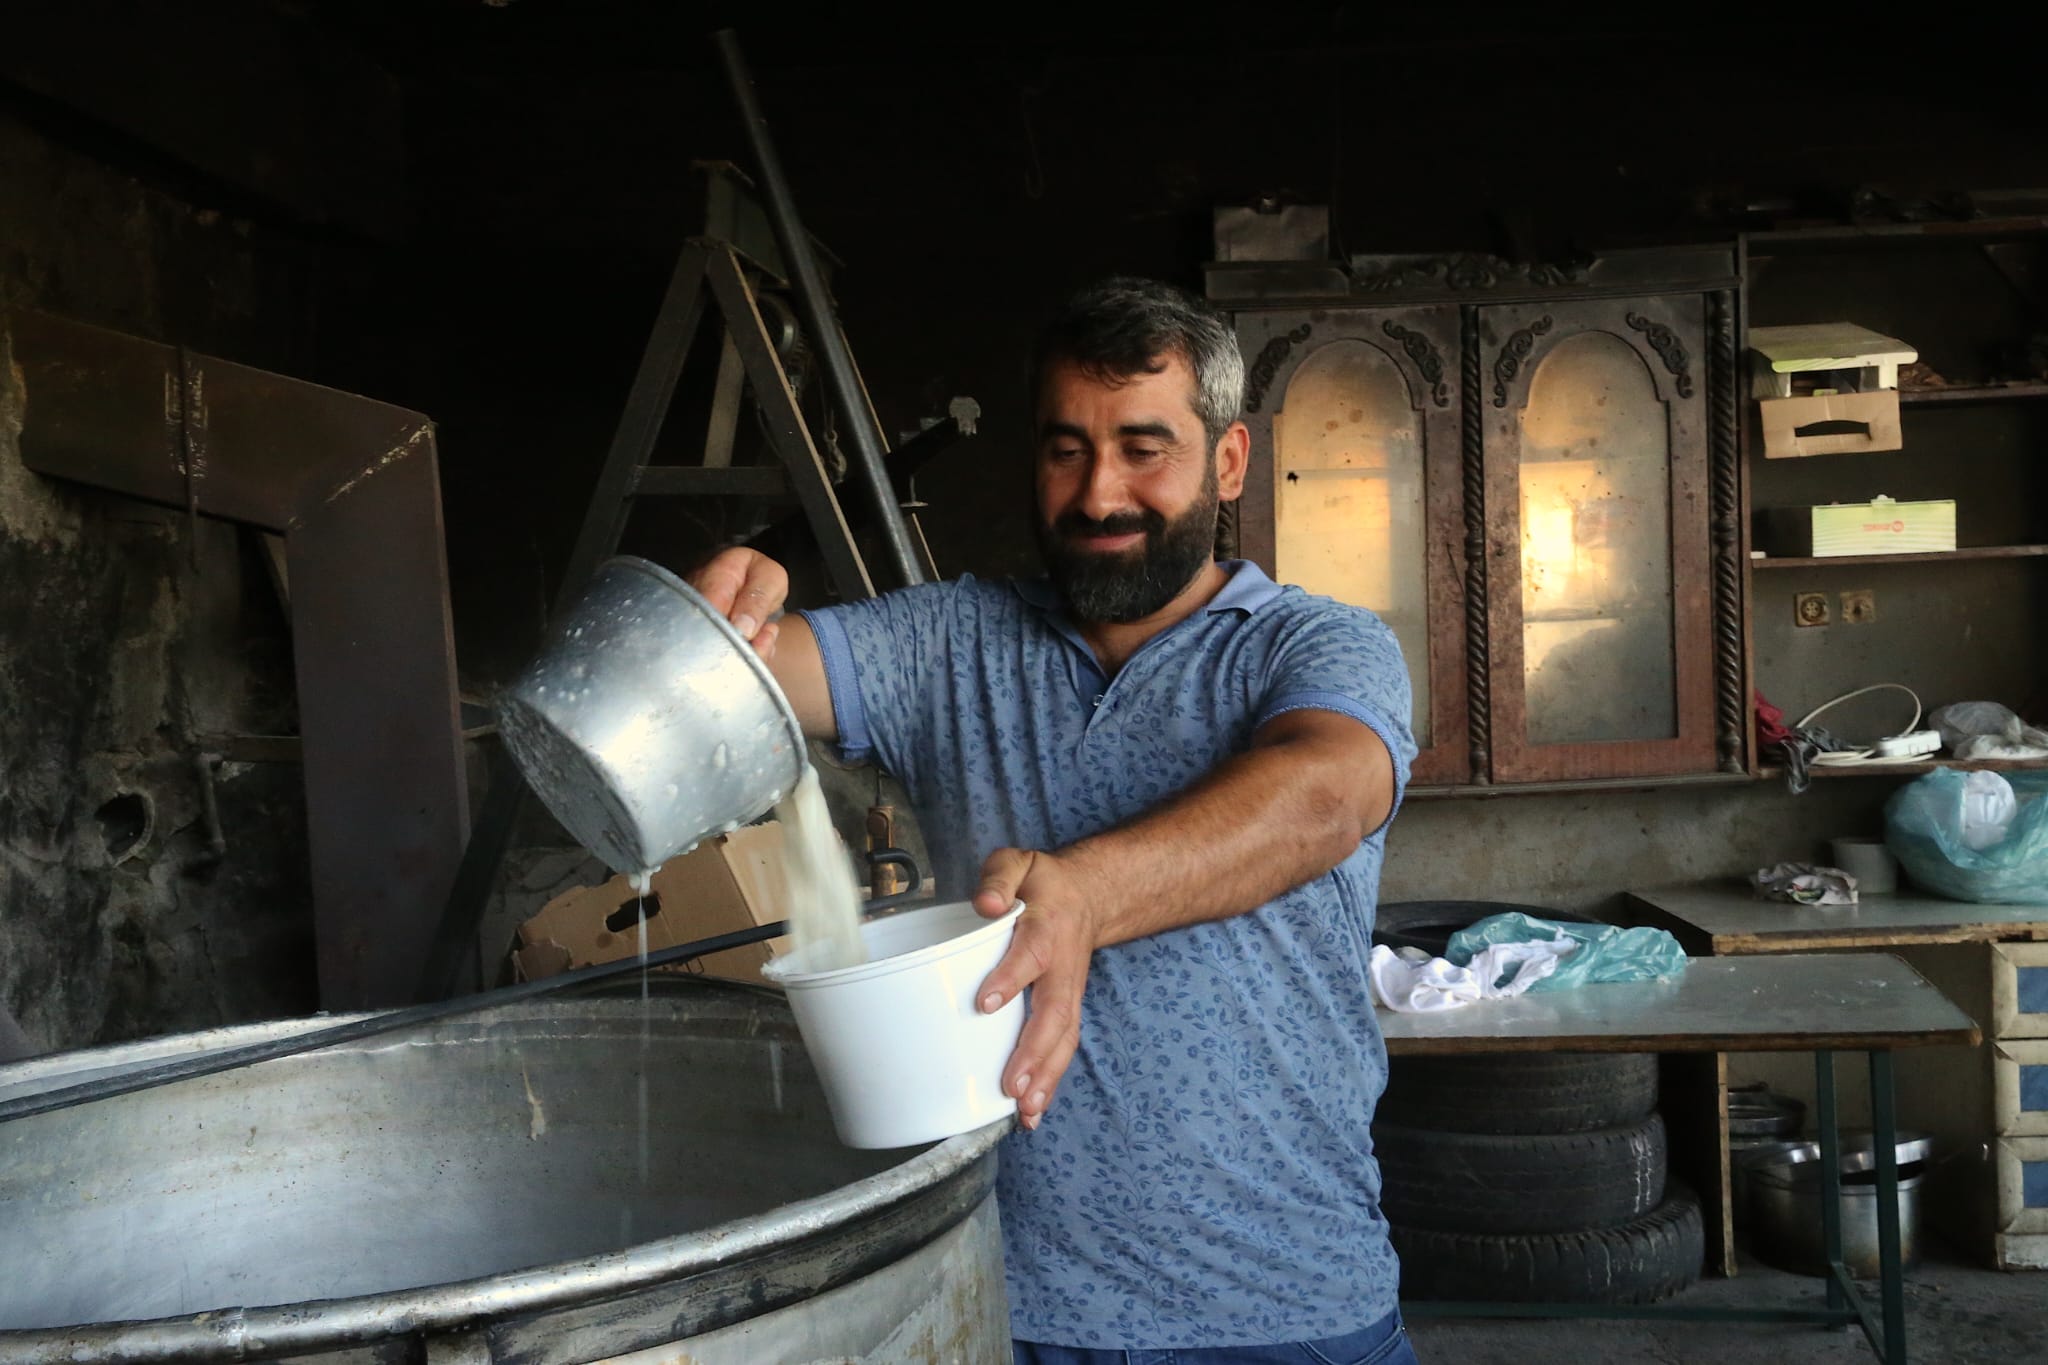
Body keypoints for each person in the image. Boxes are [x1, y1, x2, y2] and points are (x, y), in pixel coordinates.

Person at [689, 277, 1419, 1364]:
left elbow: (1320, 794)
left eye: (1143, 447)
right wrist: (719, 612)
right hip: (998, 1305)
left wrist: (1083, 896)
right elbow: (747, 678)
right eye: (1065, 449)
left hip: (1283, 1305)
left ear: (1227, 461)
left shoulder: (1312, 646)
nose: (1098, 493)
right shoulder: (950, 643)